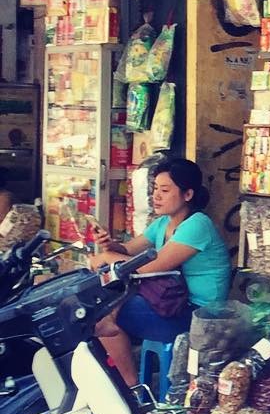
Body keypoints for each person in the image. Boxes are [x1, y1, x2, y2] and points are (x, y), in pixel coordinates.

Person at [91, 158, 232, 386]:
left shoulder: (197, 225)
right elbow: (127, 250)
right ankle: (127, 381)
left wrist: (107, 259)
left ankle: (131, 386)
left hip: (199, 316)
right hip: (172, 303)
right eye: (155, 188)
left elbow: (147, 268)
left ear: (188, 195)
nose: (156, 196)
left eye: (165, 190)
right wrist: (109, 245)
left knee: (99, 315)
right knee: (99, 307)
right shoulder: (162, 223)